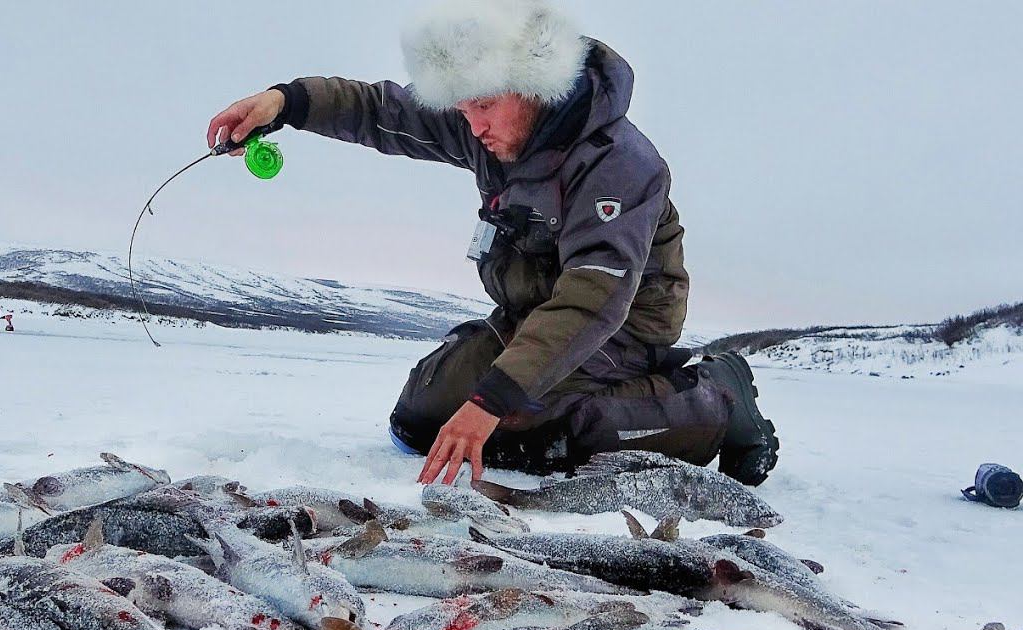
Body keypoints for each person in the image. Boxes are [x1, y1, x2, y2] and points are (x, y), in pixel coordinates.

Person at [206, 0, 779, 487]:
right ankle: (514, 388)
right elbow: (382, 111)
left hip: (622, 324)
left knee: (530, 433)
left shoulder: (617, 164)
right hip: (533, 313)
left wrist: (490, 404)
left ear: (533, 87)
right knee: (423, 415)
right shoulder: (494, 128)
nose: (472, 126)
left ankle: (716, 402)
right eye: (462, 107)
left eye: (483, 106)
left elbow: (593, 299)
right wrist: (285, 102)